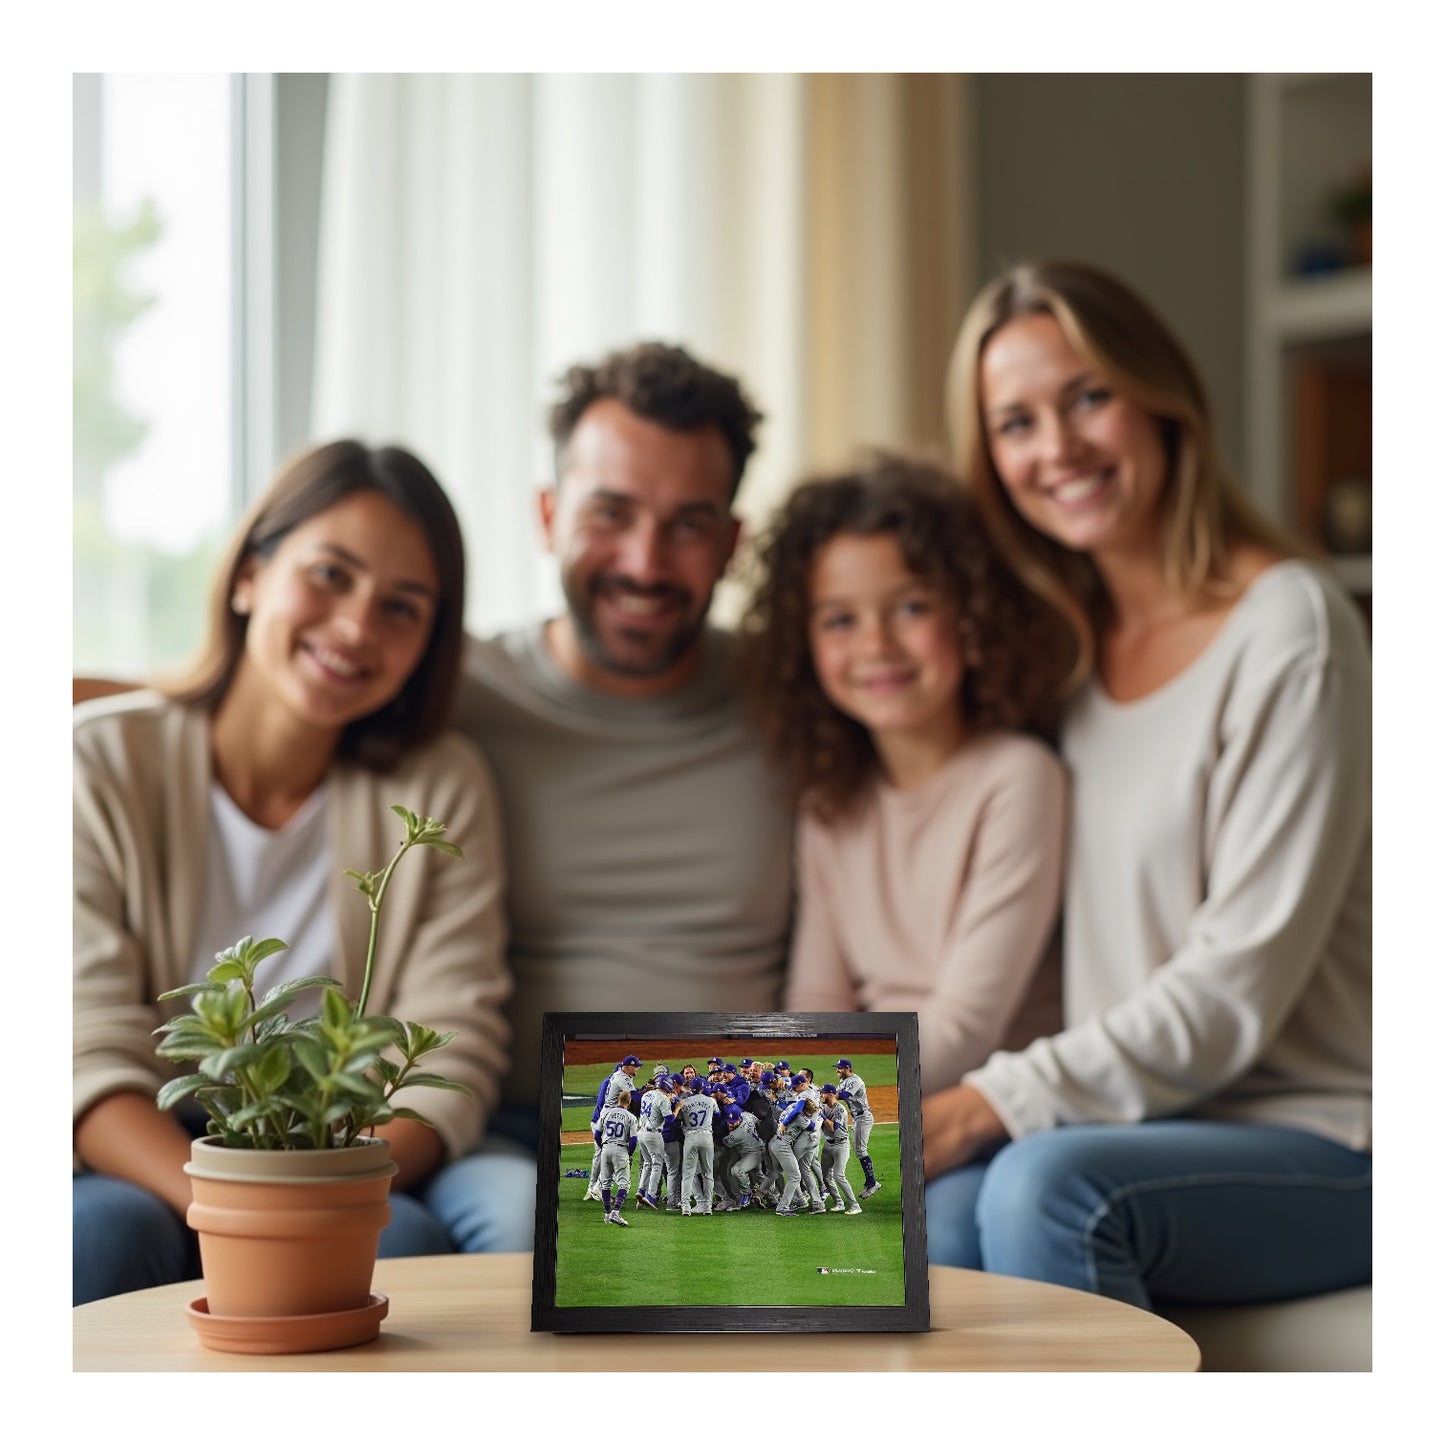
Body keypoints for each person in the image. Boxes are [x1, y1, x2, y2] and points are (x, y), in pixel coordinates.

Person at [921, 258, 1371, 1311]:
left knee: (1044, 1188)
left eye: (1087, 397)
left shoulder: (1290, 632)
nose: (1057, 448)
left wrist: (986, 1100)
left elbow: (1228, 993)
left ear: (1163, 401)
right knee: (934, 1218)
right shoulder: (1060, 657)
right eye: (1015, 421)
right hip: (1130, 1118)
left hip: (1325, 1132)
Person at [73, 440, 533, 1306]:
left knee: (419, 1240)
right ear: (250, 574)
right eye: (330, 574)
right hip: (146, 1155)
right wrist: (245, 1208)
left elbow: (454, 1041)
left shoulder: (439, 784)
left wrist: (331, 1193)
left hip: (354, 1163)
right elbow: (83, 1054)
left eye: (403, 607)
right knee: (98, 1230)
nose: (358, 626)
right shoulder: (96, 762)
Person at [452, 341, 795, 1159]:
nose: (644, 561)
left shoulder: (800, 697)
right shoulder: (455, 690)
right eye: (610, 513)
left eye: (687, 525)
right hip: (508, 1127)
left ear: (731, 543)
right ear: (547, 515)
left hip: (736, 1124)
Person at [741, 453, 1068, 1096]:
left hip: (985, 1112)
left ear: (971, 613)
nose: (876, 646)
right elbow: (815, 1001)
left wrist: (815, 1102)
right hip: (863, 1099)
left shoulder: (1019, 779)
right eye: (840, 619)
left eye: (911, 607)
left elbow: (969, 1026)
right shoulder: (830, 802)